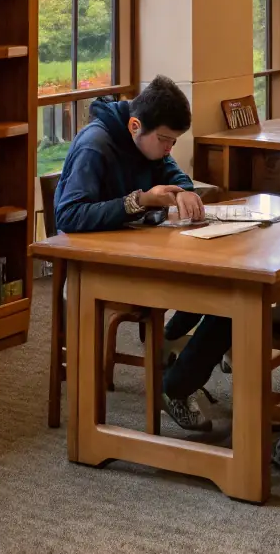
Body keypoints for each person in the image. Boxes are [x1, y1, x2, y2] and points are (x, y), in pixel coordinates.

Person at [53, 76, 226, 434]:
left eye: (173, 141)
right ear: (135, 125)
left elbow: (170, 170)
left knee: (226, 285)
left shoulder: (149, 143)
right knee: (233, 299)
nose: (168, 148)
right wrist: (140, 201)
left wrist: (182, 191)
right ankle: (176, 384)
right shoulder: (95, 145)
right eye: (164, 140)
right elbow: (67, 216)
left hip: (138, 252)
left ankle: (169, 354)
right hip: (99, 266)